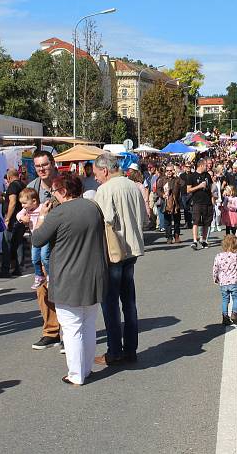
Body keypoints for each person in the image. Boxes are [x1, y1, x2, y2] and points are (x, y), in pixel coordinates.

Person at [32, 173, 108, 385]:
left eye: (55, 192)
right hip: (93, 273)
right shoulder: (93, 207)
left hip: (69, 275)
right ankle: (86, 368)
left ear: (64, 191)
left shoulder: (59, 212)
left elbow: (37, 239)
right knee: (88, 324)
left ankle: (76, 374)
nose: (53, 196)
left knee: (72, 327)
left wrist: (41, 217)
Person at [93, 152, 148, 366]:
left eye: (97, 173)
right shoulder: (133, 186)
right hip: (132, 250)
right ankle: (131, 350)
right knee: (129, 302)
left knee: (110, 303)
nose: (96, 177)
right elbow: (143, 217)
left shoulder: (105, 189)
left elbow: (103, 221)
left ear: (105, 170)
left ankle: (115, 351)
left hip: (114, 252)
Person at [25, 150, 61, 350]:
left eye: (45, 165)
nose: (41, 169)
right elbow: (25, 209)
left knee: (63, 290)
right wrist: (23, 218)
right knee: (43, 291)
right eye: (38, 166)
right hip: (40, 246)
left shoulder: (63, 185)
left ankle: (67, 333)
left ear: (53, 164)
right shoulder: (32, 187)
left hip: (62, 245)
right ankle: (51, 331)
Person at [212, 234, 237, 327]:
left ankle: (225, 316)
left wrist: (215, 278)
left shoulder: (218, 256)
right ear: (235, 245)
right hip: (234, 282)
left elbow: (215, 268)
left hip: (223, 283)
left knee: (225, 299)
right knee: (236, 298)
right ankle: (234, 314)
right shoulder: (235, 255)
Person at [16, 188, 46, 290]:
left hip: (45, 236)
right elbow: (18, 215)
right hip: (35, 236)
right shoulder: (26, 210)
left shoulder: (42, 207)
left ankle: (50, 276)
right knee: (34, 258)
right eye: (21, 203)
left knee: (45, 256)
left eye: (24, 203)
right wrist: (22, 218)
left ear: (34, 201)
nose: (23, 206)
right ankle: (39, 275)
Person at [0, 168, 26, 277]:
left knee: (7, 243)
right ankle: (18, 268)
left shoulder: (12, 186)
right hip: (21, 218)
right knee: (19, 243)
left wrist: (7, 218)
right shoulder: (23, 185)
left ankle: (5, 270)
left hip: (13, 219)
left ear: (9, 177)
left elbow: (13, 202)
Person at [187, 159, 213, 250]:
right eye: (206, 165)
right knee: (196, 221)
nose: (208, 167)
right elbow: (188, 190)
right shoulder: (192, 176)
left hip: (207, 201)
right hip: (197, 201)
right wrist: (199, 186)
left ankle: (204, 240)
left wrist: (213, 199)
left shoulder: (208, 175)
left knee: (207, 222)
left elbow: (211, 188)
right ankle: (195, 240)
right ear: (201, 165)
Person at [159, 165, 182, 244]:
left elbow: (183, 184)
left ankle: (176, 236)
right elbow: (158, 190)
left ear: (173, 171)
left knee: (177, 220)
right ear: (166, 171)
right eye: (168, 170)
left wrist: (177, 176)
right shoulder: (162, 179)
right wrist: (162, 195)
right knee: (167, 221)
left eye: (171, 170)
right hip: (166, 202)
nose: (169, 172)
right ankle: (169, 237)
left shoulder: (177, 179)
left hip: (176, 202)